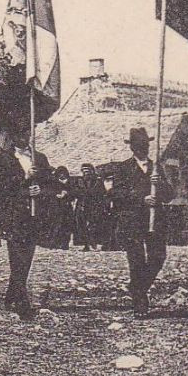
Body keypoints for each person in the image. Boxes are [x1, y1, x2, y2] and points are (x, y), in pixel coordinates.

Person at [0, 129, 50, 319]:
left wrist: (41, 189)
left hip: (33, 215)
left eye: (26, 133)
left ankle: (11, 295)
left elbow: (51, 183)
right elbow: (2, 188)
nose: (23, 137)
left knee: (27, 257)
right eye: (20, 134)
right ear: (13, 137)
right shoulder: (4, 159)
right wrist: (24, 179)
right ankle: (22, 303)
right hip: (14, 215)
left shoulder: (39, 158)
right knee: (18, 258)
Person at [107, 127, 166, 314]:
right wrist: (142, 198)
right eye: (138, 145)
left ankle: (136, 288)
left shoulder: (157, 168)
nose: (142, 148)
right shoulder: (123, 168)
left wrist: (160, 186)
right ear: (132, 147)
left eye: (145, 145)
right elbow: (116, 193)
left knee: (158, 257)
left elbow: (170, 194)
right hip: (131, 221)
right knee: (137, 260)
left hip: (154, 221)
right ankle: (140, 303)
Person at [74, 163, 109, 251]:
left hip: (95, 206)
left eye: (88, 170)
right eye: (84, 171)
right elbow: (75, 192)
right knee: (82, 225)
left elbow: (102, 194)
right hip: (82, 205)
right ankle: (85, 244)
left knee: (94, 225)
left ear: (92, 171)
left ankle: (94, 243)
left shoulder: (98, 181)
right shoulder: (79, 181)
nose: (86, 173)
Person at [44, 165, 76, 248]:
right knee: (55, 225)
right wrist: (55, 194)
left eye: (63, 173)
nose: (62, 175)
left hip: (66, 207)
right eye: (60, 173)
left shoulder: (70, 182)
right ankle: (54, 243)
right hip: (55, 207)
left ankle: (64, 244)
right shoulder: (53, 182)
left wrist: (67, 194)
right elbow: (48, 192)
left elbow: (74, 194)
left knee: (66, 225)